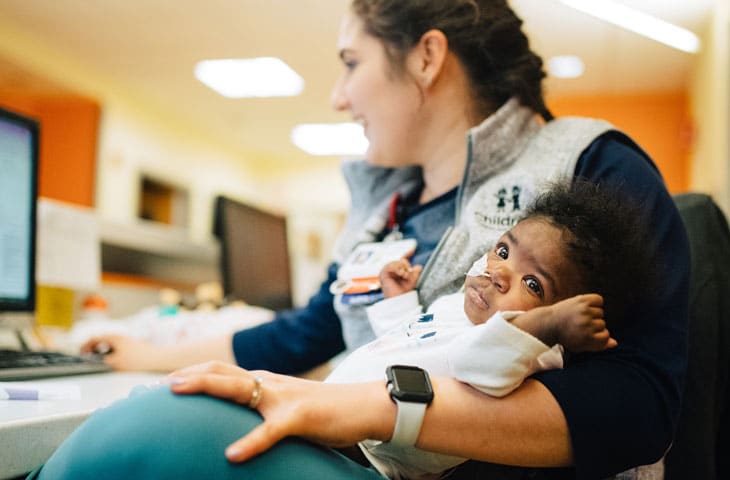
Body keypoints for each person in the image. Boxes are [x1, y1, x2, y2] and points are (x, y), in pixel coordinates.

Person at [39, 0, 689, 479]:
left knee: (147, 431)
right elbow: (305, 332)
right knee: (150, 404)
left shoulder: (593, 167)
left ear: (427, 57)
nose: (337, 97)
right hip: (365, 454)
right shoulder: (384, 208)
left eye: (351, 64)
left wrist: (374, 408)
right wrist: (140, 351)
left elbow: (638, 403)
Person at [326, 180, 654, 479]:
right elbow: (413, 341)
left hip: (367, 458)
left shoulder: (532, 351)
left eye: (532, 284)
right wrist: (400, 301)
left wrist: (549, 325)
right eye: (503, 251)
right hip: (335, 413)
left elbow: (474, 363)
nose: (498, 273)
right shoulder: (460, 306)